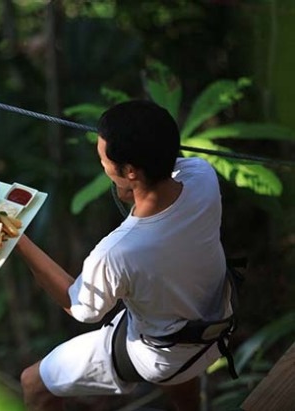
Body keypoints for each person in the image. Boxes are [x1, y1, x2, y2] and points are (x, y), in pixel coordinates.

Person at [15, 100, 234, 411]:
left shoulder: (118, 251)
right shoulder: (203, 177)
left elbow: (80, 307)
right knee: (163, 320)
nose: (101, 164)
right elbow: (164, 173)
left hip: (162, 355)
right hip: (214, 327)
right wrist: (128, 187)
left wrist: (17, 239)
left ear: (130, 170)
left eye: (103, 158)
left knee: (32, 383)